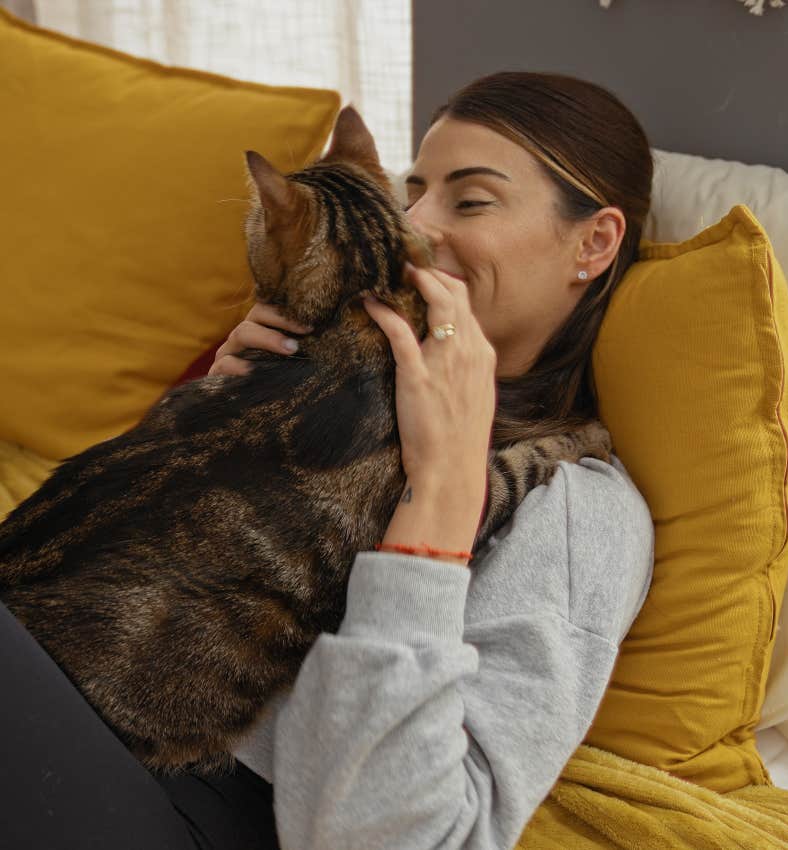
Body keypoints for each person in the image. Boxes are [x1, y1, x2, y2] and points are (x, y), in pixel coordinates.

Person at [0, 72, 654, 850]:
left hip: (198, 806)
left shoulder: (576, 502)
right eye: (410, 192)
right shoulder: (300, 369)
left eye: (471, 200)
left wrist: (440, 503)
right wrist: (209, 418)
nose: (418, 225)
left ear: (594, 242)